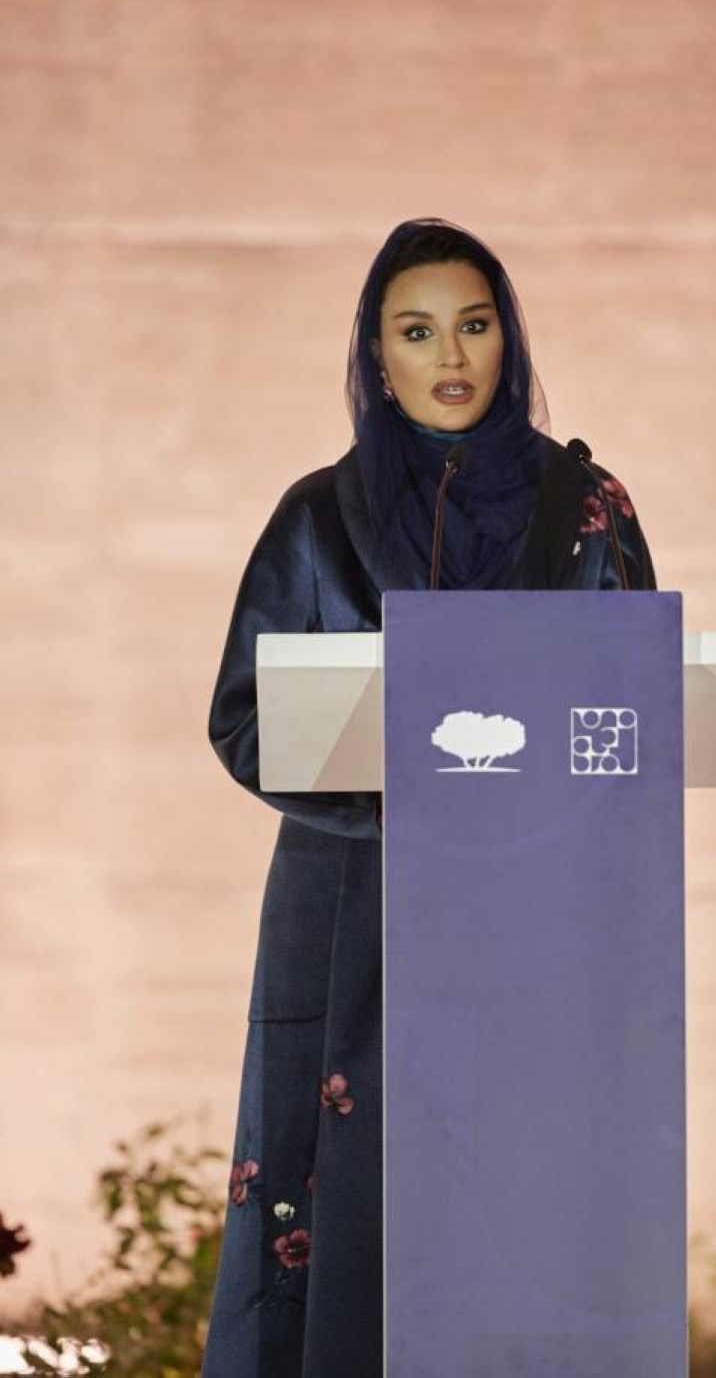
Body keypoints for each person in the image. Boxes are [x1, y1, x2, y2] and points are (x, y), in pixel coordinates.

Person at [200, 217, 657, 1377]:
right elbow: (244, 719)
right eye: (416, 330)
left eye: (473, 322)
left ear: (507, 337)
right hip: (355, 908)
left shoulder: (586, 509)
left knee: (530, 1209)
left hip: (539, 917)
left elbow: (636, 716)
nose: (449, 354)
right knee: (353, 1214)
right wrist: (409, 804)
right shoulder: (318, 517)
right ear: (376, 353)